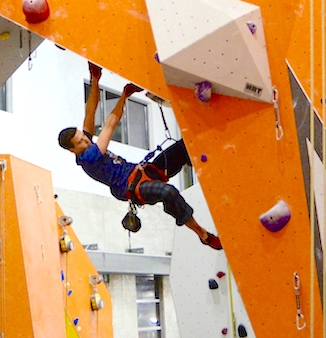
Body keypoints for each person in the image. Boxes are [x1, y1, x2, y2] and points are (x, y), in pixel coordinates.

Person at [57, 62, 222, 250]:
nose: (86, 140)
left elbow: (90, 112)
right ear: (73, 150)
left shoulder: (84, 143)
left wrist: (94, 80)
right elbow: (110, 124)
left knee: (183, 147)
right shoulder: (90, 157)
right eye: (80, 142)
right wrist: (124, 96)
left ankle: (216, 161)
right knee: (168, 192)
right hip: (134, 188)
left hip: (141, 171)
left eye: (83, 137)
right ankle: (203, 234)